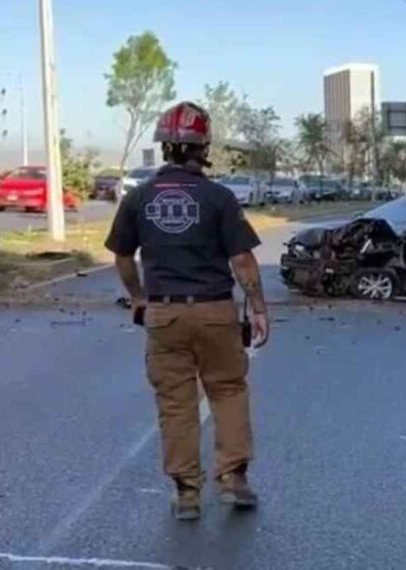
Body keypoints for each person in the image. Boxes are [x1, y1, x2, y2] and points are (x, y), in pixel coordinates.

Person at [104, 101, 270, 521]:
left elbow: (123, 258)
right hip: (216, 312)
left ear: (164, 148)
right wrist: (258, 309)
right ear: (204, 146)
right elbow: (244, 262)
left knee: (176, 404)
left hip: (165, 316)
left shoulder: (139, 198)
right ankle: (233, 480)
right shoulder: (218, 197)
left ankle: (187, 494)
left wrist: (139, 298)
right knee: (228, 392)